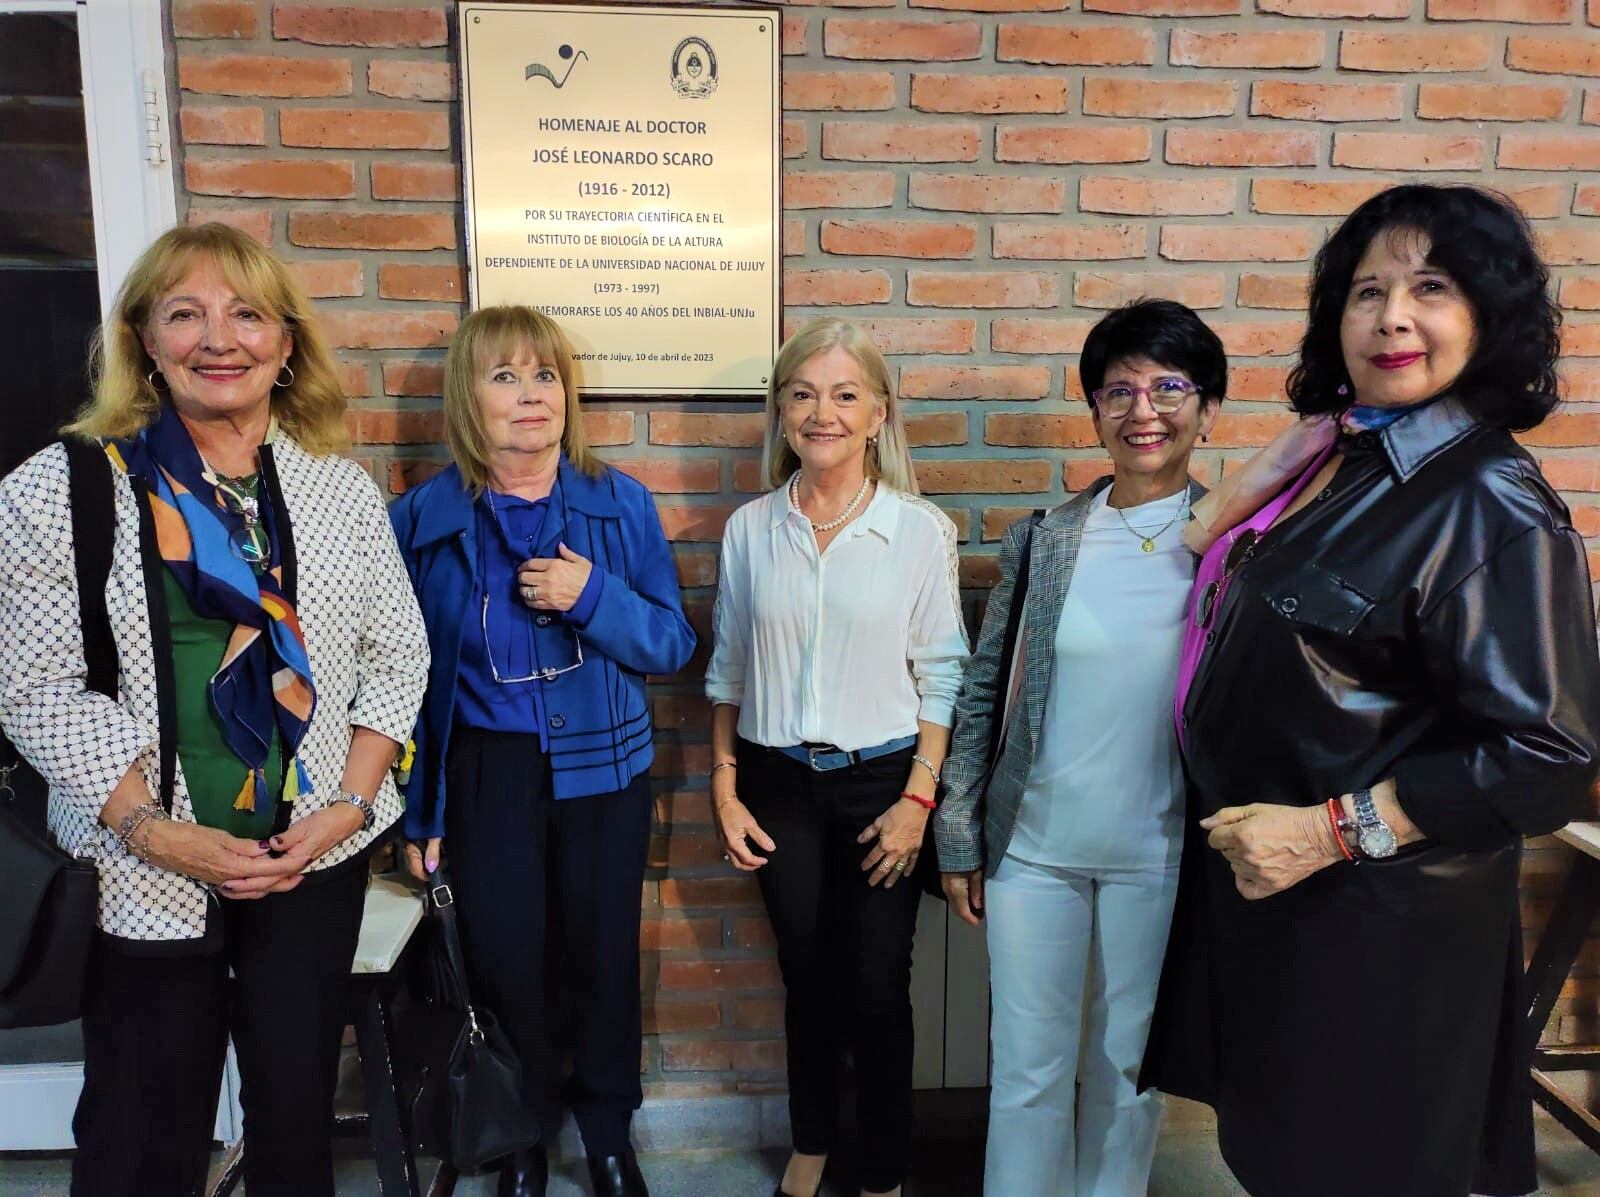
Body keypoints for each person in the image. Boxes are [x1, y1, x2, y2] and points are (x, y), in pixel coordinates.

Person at [1140, 184, 1600, 1197]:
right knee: (1280, 1160)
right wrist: (1275, 464)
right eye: (1366, 291)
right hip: (1283, 920)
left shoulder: (1491, 503)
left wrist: (1322, 834)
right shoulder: (1350, 462)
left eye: (1429, 287)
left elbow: (1547, 758)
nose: (1391, 314)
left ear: (1487, 315)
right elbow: (1190, 559)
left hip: (1377, 942)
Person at [0, 222, 430, 1196]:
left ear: (286, 345)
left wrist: (349, 808)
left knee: (292, 1127)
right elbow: (31, 685)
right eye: (184, 314)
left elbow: (397, 656)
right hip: (138, 867)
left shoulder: (335, 490)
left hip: (308, 862)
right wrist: (154, 829)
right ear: (144, 341)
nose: (218, 338)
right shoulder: (63, 489)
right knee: (141, 1134)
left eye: (246, 314)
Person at [389, 304, 694, 1197]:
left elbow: (673, 644)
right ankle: (518, 1139)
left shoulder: (620, 502)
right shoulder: (423, 518)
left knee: (602, 956)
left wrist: (592, 593)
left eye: (547, 375)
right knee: (505, 958)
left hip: (605, 767)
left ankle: (606, 1136)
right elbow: (402, 685)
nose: (532, 395)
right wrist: (421, 811)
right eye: (506, 376)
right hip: (486, 773)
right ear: (466, 398)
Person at [935, 300, 1223, 1196]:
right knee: (1027, 1068)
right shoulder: (1045, 539)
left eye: (1170, 387)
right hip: (1035, 849)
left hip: (1162, 852)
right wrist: (959, 830)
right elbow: (984, 691)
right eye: (1120, 390)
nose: (1145, 409)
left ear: (1207, 407)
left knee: (1128, 1069)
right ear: (1094, 409)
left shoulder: (1236, 544)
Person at [705, 317, 969, 1197]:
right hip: (775, 782)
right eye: (804, 392)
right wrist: (725, 784)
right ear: (781, 409)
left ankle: (885, 1168)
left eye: (845, 394)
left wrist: (918, 799)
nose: (823, 411)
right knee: (805, 977)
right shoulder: (750, 529)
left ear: (878, 414)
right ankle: (812, 1141)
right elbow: (729, 663)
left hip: (884, 783)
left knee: (875, 985)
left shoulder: (920, 531)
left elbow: (945, 675)